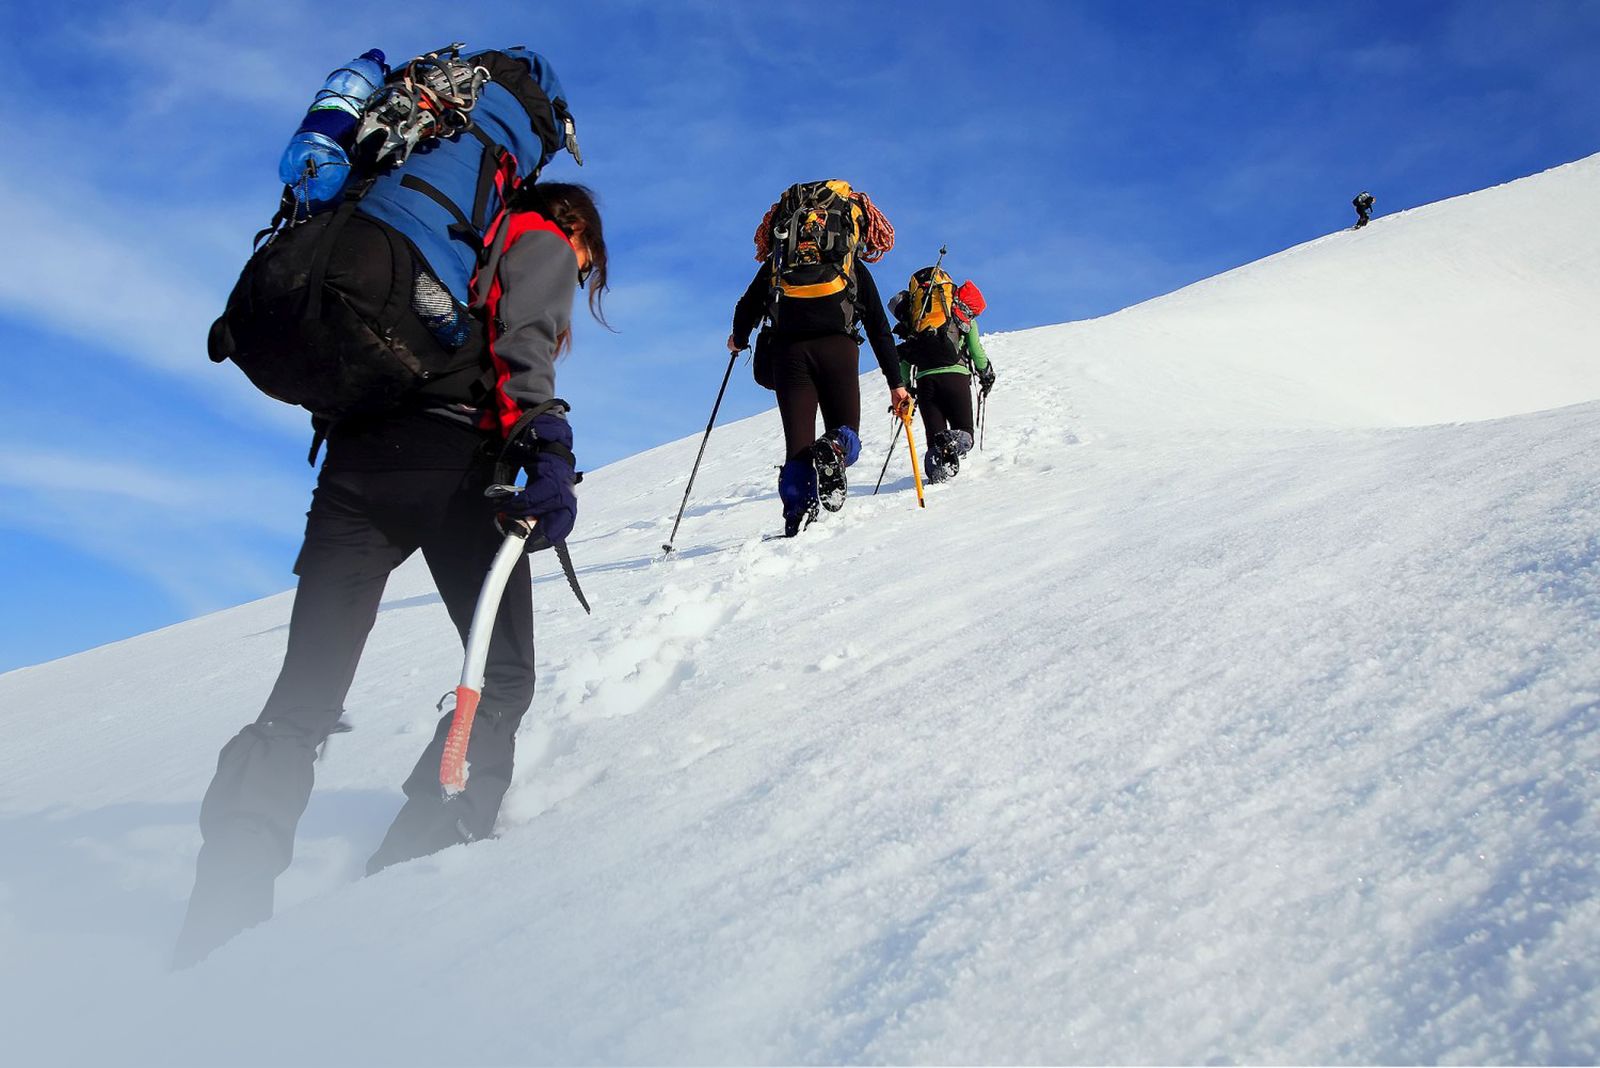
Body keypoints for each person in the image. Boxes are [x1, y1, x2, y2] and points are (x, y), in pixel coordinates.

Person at [173, 182, 609, 968]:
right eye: (588, 261)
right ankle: (415, 868)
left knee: (299, 704)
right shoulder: (536, 232)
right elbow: (526, 342)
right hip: (455, 467)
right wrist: (549, 443)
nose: (580, 273)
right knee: (503, 680)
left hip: (354, 469)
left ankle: (218, 925)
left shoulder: (433, 229)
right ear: (577, 227)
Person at [728, 182, 910, 537]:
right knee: (846, 431)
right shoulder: (850, 266)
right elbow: (879, 328)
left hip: (789, 352)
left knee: (797, 444)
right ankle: (836, 447)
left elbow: (746, 306)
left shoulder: (778, 265)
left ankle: (797, 514)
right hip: (837, 349)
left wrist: (739, 339)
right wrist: (896, 385)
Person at [891, 282, 995, 483]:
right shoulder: (961, 317)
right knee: (965, 434)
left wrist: (905, 388)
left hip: (925, 382)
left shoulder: (917, 320)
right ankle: (954, 441)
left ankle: (936, 477)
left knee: (935, 442)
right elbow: (976, 351)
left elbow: (904, 357)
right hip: (955, 378)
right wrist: (986, 373)